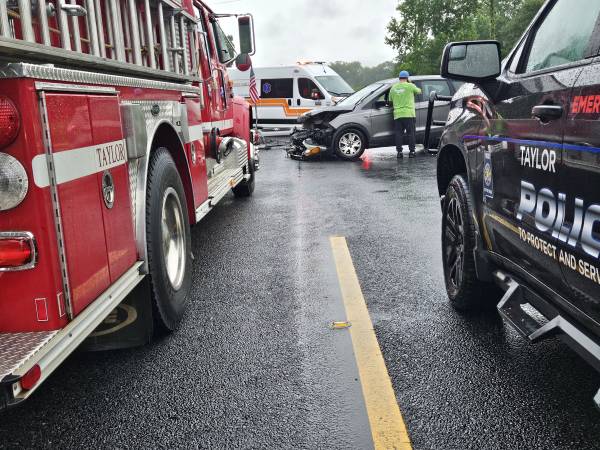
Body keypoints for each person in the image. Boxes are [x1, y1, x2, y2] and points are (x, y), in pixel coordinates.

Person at [389, 70, 422, 158]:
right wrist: (411, 84)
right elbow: (419, 91)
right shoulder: (410, 86)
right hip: (409, 114)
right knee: (411, 133)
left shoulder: (393, 88)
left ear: (399, 78)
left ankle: (399, 153)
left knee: (399, 134)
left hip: (397, 114)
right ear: (407, 78)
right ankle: (412, 152)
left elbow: (390, 101)